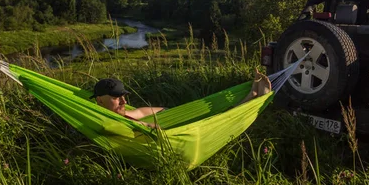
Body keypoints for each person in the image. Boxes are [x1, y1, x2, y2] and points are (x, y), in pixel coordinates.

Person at [92, 68, 271, 125]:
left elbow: (146, 111)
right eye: (117, 98)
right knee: (217, 120)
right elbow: (141, 127)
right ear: (99, 100)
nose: (124, 101)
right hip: (176, 136)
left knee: (213, 115)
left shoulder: (128, 114)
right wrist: (148, 125)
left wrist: (174, 114)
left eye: (124, 96)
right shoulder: (108, 124)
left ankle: (251, 95)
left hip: (176, 124)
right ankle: (252, 97)